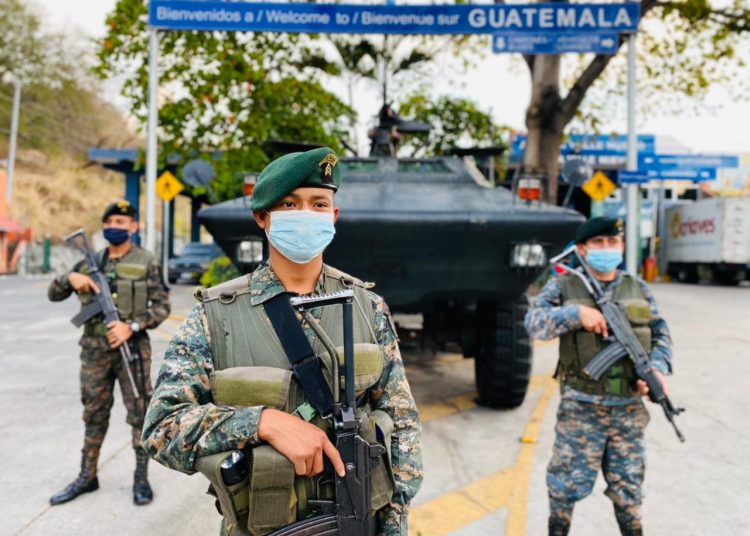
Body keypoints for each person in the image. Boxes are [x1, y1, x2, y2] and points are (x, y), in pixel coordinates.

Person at [142, 147, 423, 536]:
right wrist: (260, 422)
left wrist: (394, 524)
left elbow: (402, 423)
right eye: (290, 204)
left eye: (318, 204)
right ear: (262, 217)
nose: (306, 214)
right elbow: (161, 428)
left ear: (333, 216)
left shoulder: (367, 307)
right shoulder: (215, 316)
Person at [525, 217, 673, 536]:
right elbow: (534, 323)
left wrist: (657, 369)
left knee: (629, 490)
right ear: (582, 249)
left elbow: (660, 333)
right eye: (598, 243)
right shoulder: (564, 285)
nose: (607, 248)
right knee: (564, 488)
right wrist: (575, 313)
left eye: (613, 242)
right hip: (581, 408)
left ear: (622, 246)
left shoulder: (638, 287)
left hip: (628, 410)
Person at [48, 200, 171, 506]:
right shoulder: (89, 262)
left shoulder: (146, 261)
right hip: (94, 351)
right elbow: (54, 293)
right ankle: (87, 475)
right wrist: (69, 279)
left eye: (121, 222)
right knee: (94, 413)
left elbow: (162, 306)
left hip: (133, 350)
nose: (115, 227)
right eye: (110, 222)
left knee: (140, 413)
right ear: (104, 227)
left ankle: (141, 479)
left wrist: (132, 326)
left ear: (133, 227)